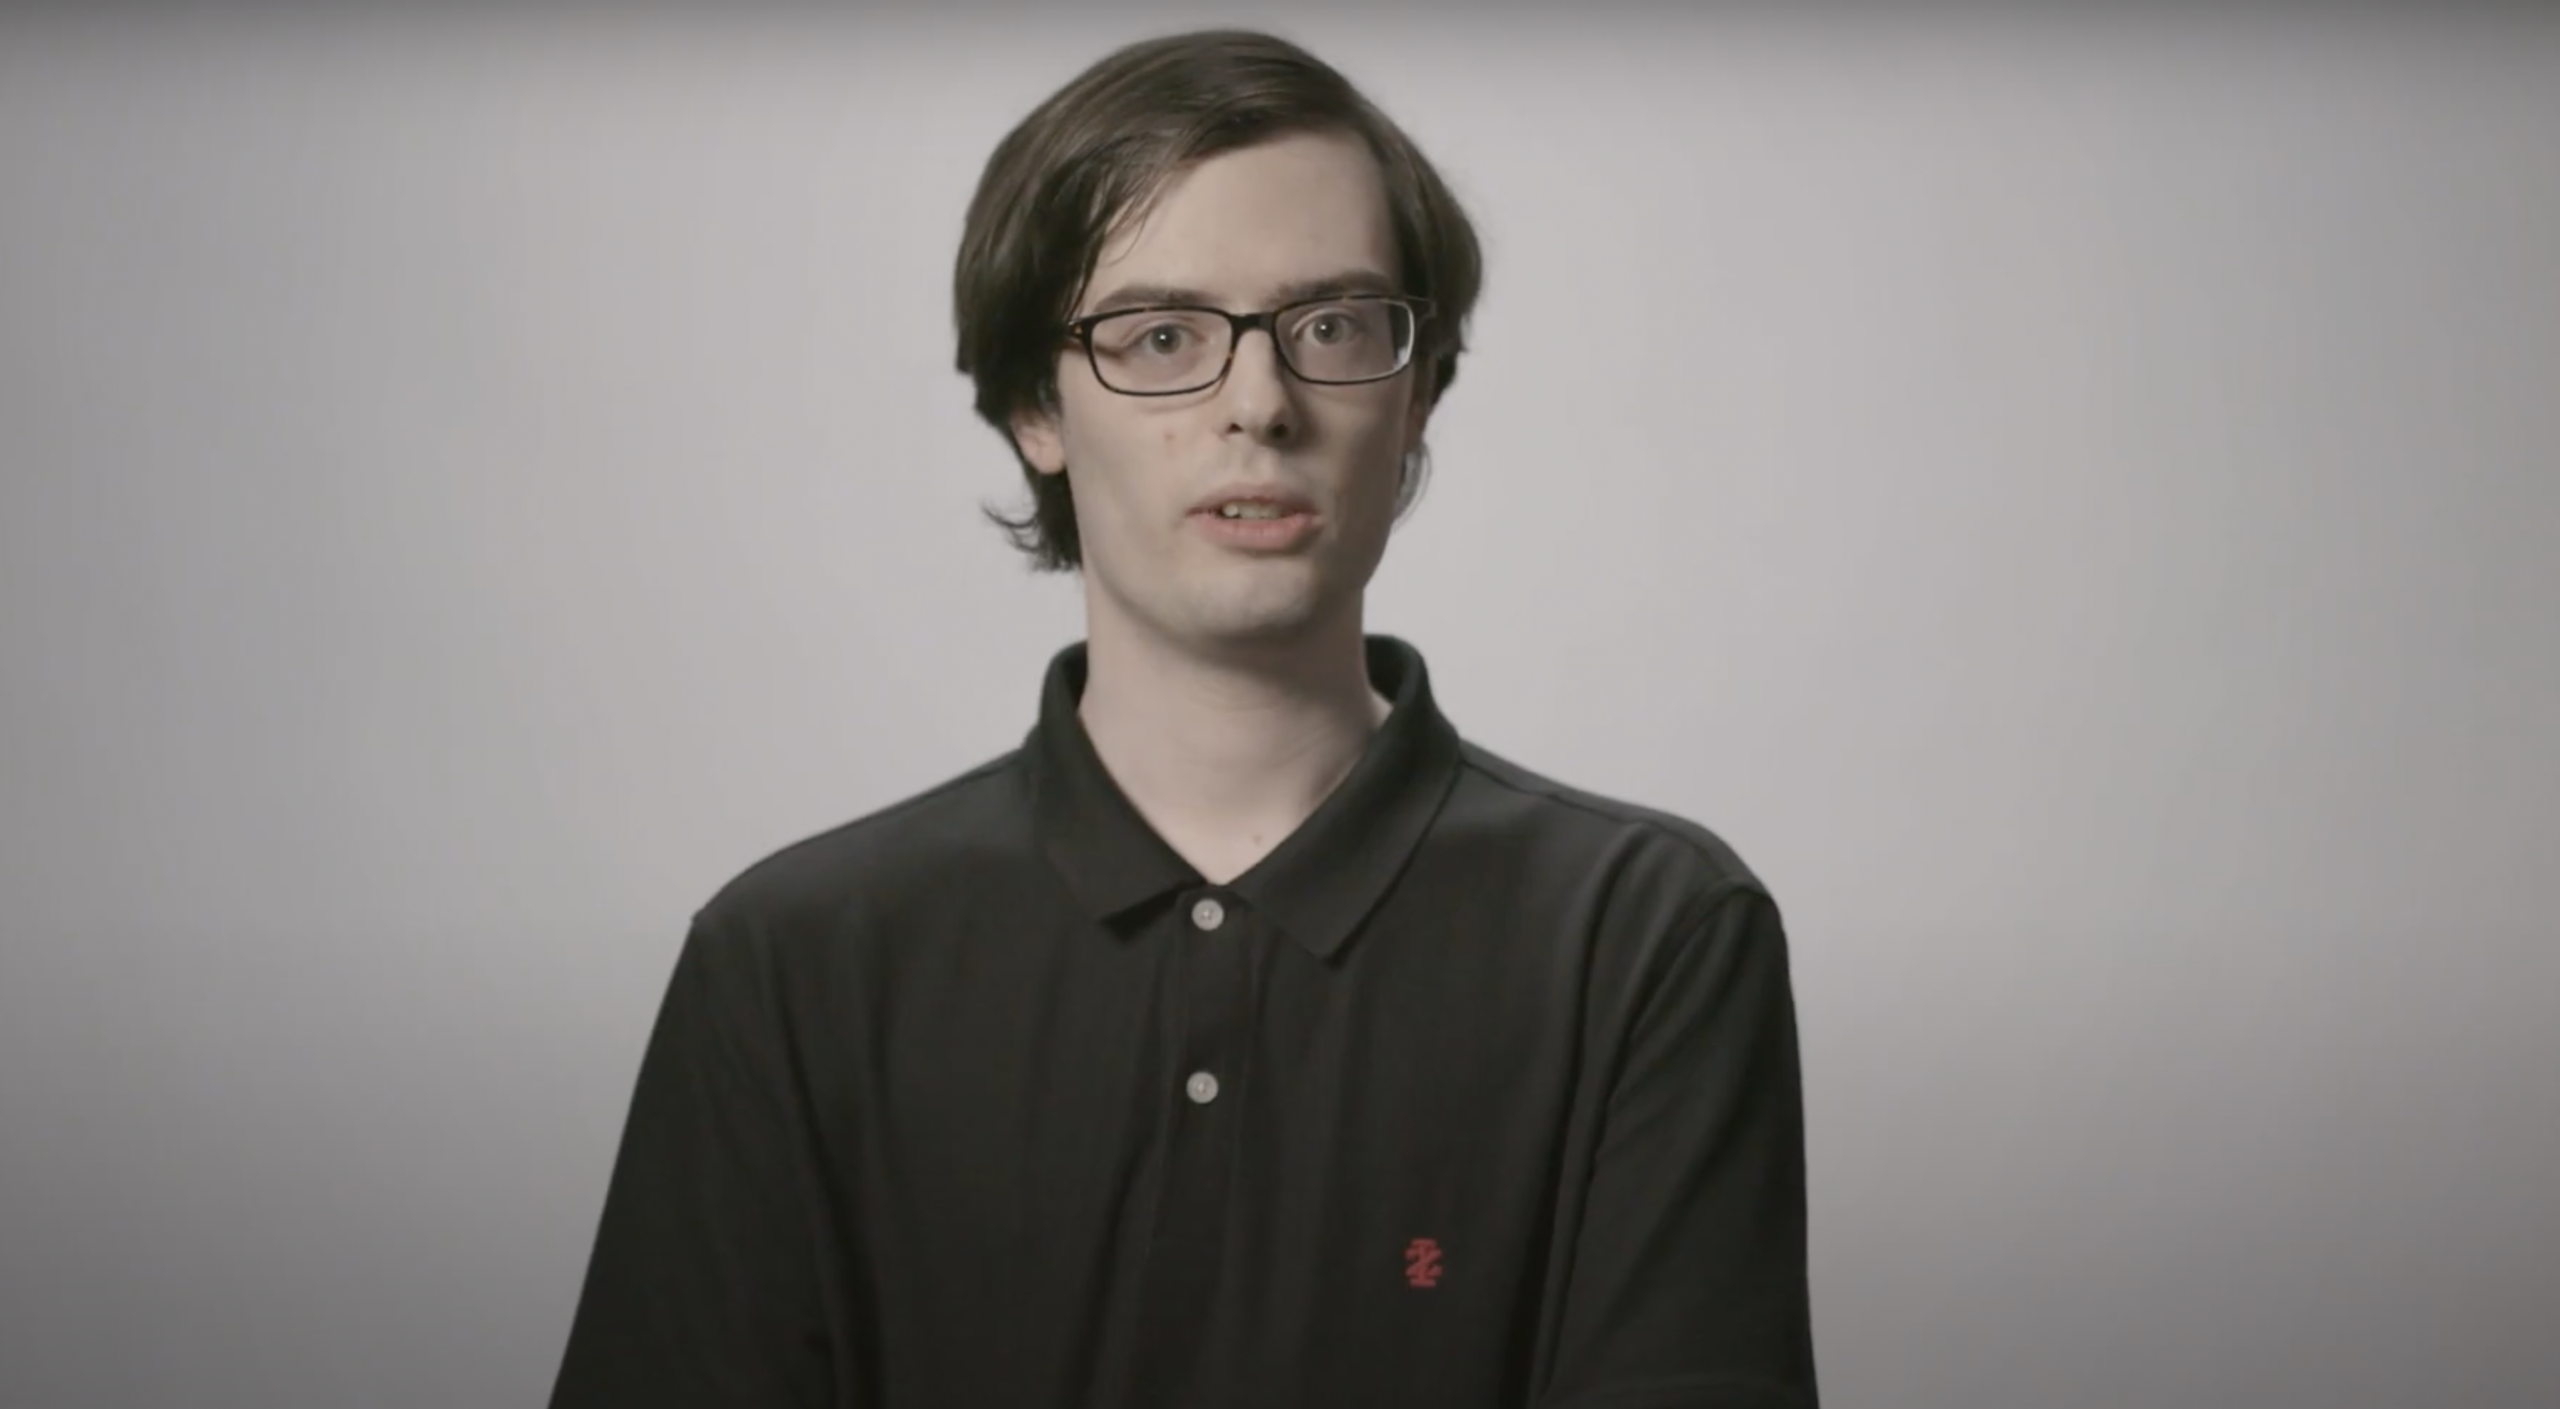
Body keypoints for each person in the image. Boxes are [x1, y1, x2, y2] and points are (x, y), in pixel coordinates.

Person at [548, 27, 1817, 1409]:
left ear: (1417, 397)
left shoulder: (1647, 935)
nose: (1258, 405)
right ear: (1034, 407)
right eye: (1162, 336)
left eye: (1332, 328)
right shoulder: (793, 961)